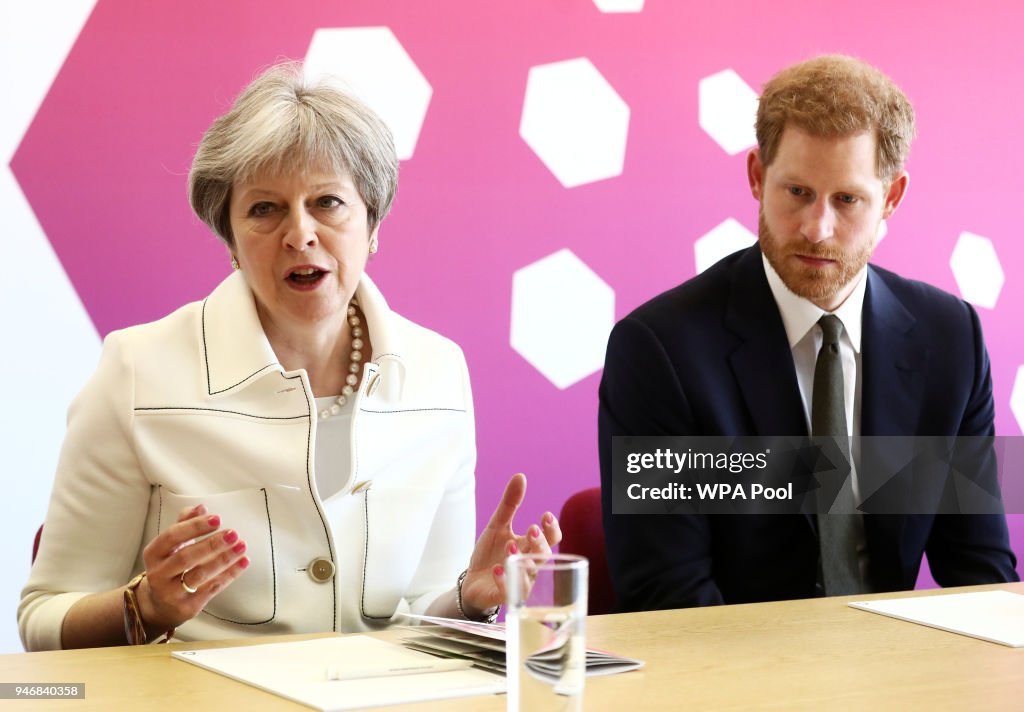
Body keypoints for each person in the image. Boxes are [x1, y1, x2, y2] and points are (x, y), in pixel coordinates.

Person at [20, 62, 561, 651]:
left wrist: (467, 598)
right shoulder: (136, 370)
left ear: (372, 224)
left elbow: (422, 618)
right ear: (229, 239)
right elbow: (44, 619)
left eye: (328, 202)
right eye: (264, 209)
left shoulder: (438, 371)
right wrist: (144, 607)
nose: (299, 233)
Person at [598, 54, 1018, 611]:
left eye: (847, 200)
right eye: (796, 192)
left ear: (891, 198)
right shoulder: (660, 351)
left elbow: (979, 571)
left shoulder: (950, 340)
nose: (816, 228)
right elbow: (669, 598)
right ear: (756, 176)